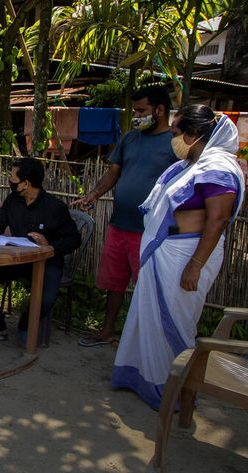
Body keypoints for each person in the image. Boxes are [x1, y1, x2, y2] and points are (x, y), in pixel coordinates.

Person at [112, 107, 244, 409]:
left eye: (176, 133)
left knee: (177, 325)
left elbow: (218, 218)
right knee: (150, 322)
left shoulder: (218, 166)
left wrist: (195, 265)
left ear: (194, 134)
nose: (173, 139)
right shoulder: (190, 163)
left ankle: (173, 390)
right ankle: (144, 379)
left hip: (186, 257)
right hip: (167, 252)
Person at [74, 86, 178, 347]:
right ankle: (107, 330)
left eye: (142, 111)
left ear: (160, 110)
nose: (137, 116)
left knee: (148, 289)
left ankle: (144, 340)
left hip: (150, 231)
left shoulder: (175, 144)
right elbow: (113, 172)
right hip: (119, 225)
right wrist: (94, 194)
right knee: (114, 283)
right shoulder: (130, 139)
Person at [0, 157, 82, 343]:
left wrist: (50, 246)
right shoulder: (13, 200)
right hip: (19, 259)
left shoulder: (54, 207)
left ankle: (26, 325)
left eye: (12, 178)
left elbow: (74, 239)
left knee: (47, 298)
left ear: (25, 183)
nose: (10, 181)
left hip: (48, 261)